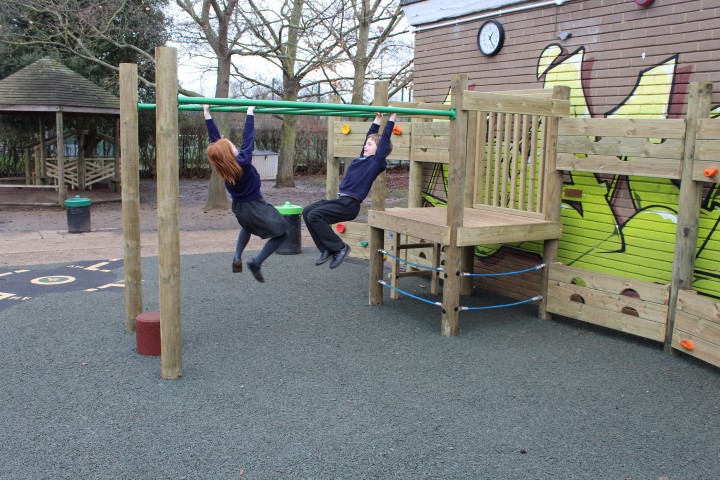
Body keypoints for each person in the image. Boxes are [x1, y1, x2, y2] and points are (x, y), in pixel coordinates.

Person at [204, 104, 288, 283]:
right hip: (255, 205)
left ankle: (237, 256)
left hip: (240, 209)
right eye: (232, 146)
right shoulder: (243, 162)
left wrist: (207, 114)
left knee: (247, 226)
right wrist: (249, 114)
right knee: (283, 233)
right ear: (230, 153)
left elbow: (216, 143)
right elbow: (248, 138)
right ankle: (256, 262)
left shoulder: (223, 167)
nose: (235, 147)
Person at [303, 111, 396, 269]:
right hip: (342, 201)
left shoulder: (376, 162)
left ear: (380, 150)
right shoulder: (362, 158)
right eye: (366, 144)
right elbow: (370, 135)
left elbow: (385, 139)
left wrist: (392, 118)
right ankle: (326, 248)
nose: (365, 146)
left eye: (370, 145)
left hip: (350, 204)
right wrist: (377, 119)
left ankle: (340, 247)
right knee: (307, 211)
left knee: (315, 215)